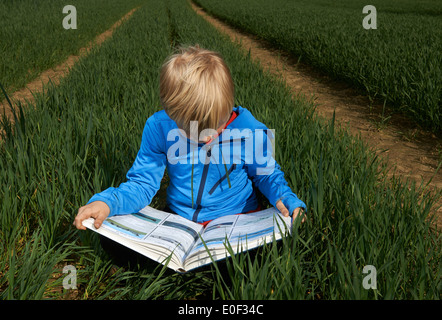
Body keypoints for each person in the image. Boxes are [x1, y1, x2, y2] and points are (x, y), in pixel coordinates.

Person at [73, 45, 306, 231]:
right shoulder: (158, 127)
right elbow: (142, 183)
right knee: (113, 243)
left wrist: (284, 196)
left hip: (237, 217)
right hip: (180, 217)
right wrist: (107, 202)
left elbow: (268, 174)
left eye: (216, 127)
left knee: (246, 266)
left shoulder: (252, 129)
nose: (206, 139)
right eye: (192, 132)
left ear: (228, 106)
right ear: (171, 114)